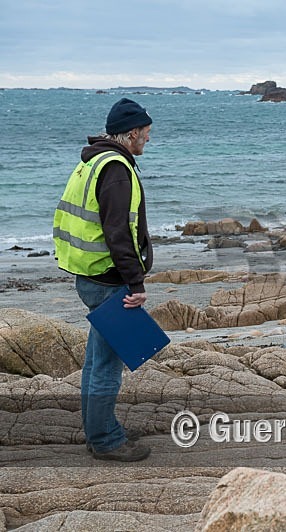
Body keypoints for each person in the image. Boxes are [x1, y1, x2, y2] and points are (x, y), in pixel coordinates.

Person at [52, 98, 154, 462]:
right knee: (107, 364)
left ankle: (98, 432)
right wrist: (136, 284)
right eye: (145, 133)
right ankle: (106, 440)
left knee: (97, 359)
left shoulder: (93, 160)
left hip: (89, 273)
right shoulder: (115, 169)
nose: (147, 139)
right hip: (108, 279)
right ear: (131, 134)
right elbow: (118, 234)